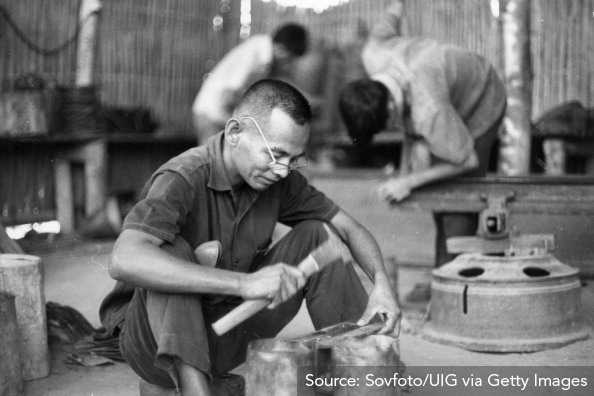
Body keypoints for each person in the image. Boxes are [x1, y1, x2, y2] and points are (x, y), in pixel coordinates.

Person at [100, 79, 401, 395]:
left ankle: (362, 371)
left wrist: (382, 284)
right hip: (155, 347)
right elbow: (123, 259)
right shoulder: (183, 177)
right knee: (172, 249)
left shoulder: (278, 180)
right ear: (234, 133)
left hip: (227, 334)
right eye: (276, 154)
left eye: (293, 158)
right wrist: (244, 284)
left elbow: (350, 228)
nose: (283, 170)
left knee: (318, 234)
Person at [338, 2, 507, 302]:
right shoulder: (372, 54)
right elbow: (391, 14)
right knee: (435, 186)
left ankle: (453, 288)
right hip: (441, 84)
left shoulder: (427, 110)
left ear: (391, 108)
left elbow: (467, 160)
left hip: (481, 98)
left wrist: (408, 182)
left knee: (456, 194)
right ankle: (442, 275)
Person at [192, 23, 308, 144]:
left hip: (223, 118)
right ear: (280, 49)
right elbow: (229, 96)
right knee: (215, 160)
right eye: (288, 59)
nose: (288, 65)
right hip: (212, 115)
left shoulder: (264, 57)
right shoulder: (254, 54)